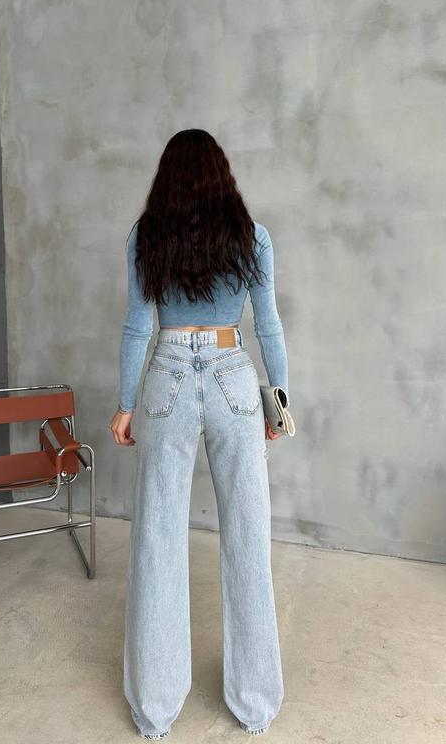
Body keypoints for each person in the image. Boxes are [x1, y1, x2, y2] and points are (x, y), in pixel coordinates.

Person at [109, 129, 289, 740]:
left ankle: (155, 708)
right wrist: (277, 401)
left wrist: (126, 405)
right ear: (222, 175)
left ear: (167, 178)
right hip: (233, 375)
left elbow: (137, 328)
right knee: (248, 533)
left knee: (157, 537)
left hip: (166, 379)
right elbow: (268, 325)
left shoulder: (147, 235)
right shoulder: (250, 236)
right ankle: (255, 704)